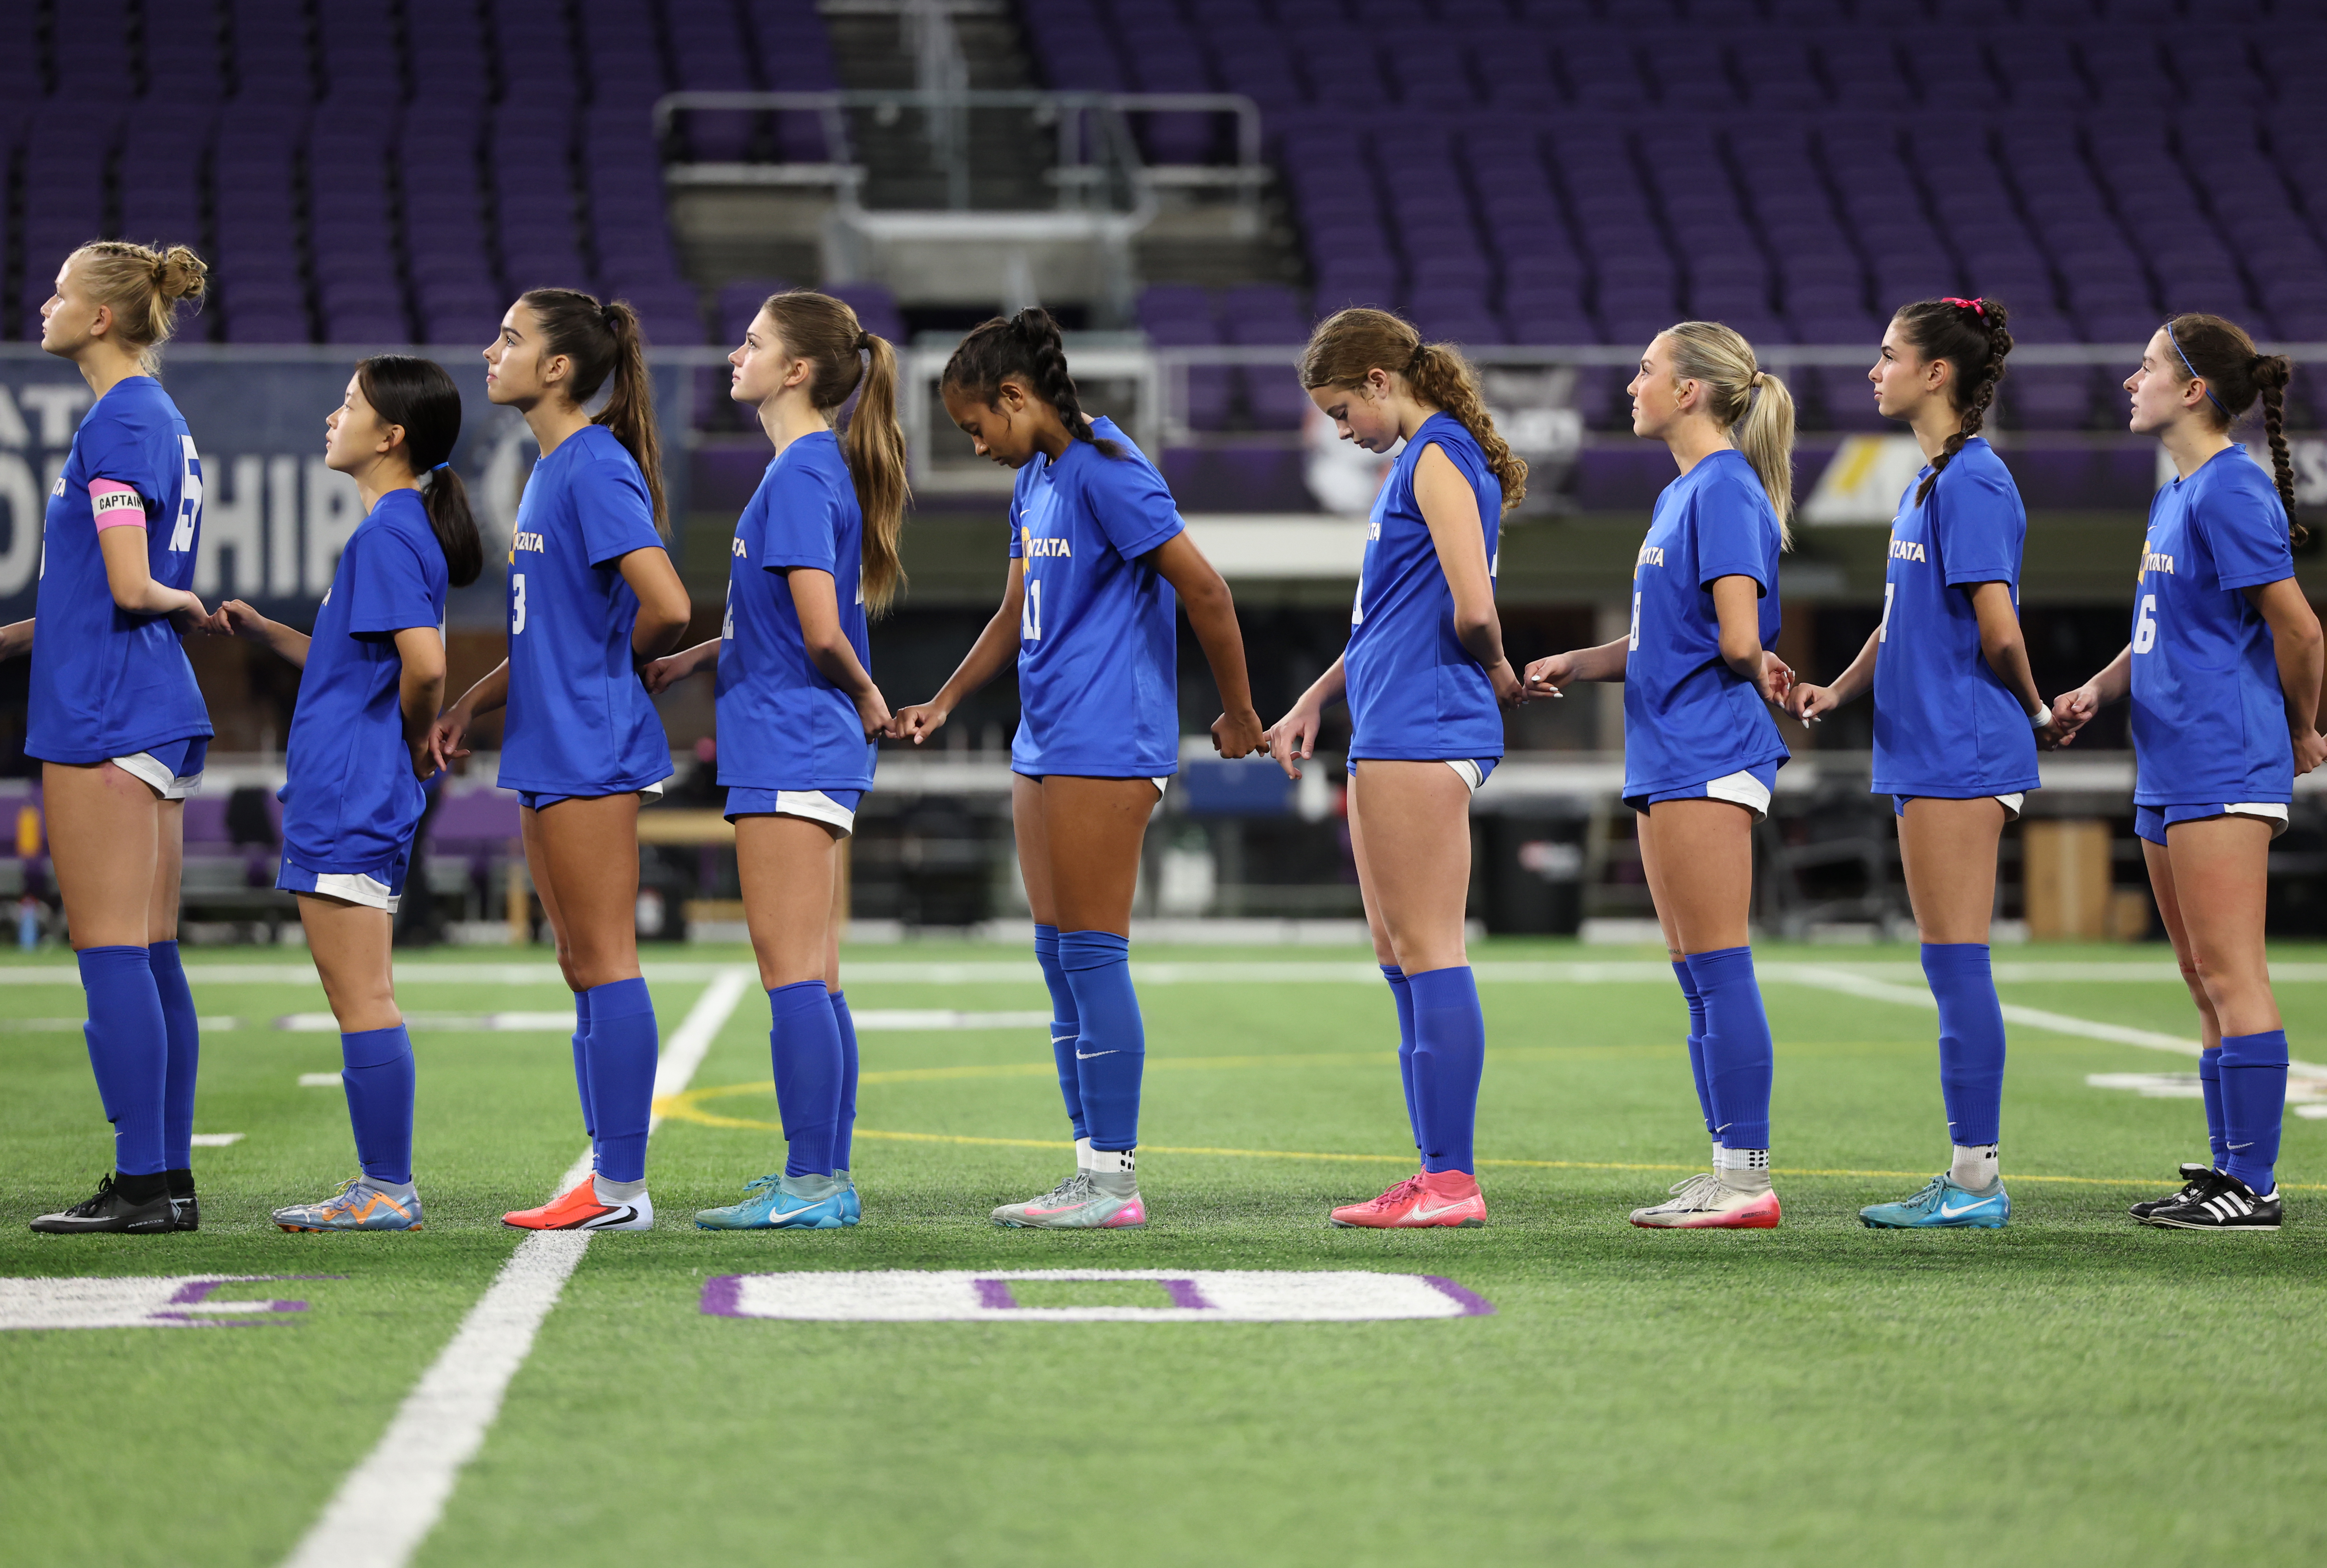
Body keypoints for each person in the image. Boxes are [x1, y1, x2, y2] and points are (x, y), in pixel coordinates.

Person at [892, 307, 1265, 1230]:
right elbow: (1013, 607)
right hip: (1043, 742)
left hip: (1106, 742)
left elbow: (1207, 590)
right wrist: (943, 699)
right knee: (1057, 956)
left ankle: (1115, 1183)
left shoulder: (1107, 470)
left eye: (978, 428)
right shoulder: (1039, 478)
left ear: (1015, 398)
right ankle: (1084, 1170)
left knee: (1094, 956)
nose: (976, 447)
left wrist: (1239, 710)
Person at [1787, 297, 2054, 1229]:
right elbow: (1902, 619)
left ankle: (1976, 1182)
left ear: (1935, 373)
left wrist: (2031, 706)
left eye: (1888, 355)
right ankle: (1967, 1175)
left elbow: (1997, 626)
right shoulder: (1927, 480)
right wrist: (1837, 689)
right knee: (1947, 962)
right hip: (1926, 746)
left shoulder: (1973, 482)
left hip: (1960, 749)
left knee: (1955, 962)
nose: (1873, 369)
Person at [429, 290, 692, 1232]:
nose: (490, 350)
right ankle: (603, 1183)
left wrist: (604, 673)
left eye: (510, 338)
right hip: (550, 741)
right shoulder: (550, 469)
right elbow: (551, 631)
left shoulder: (592, 466)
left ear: (558, 370)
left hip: (588, 742)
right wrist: (471, 700)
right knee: (579, 958)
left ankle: (621, 1189)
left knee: (605, 957)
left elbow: (666, 602)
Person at [644, 290, 906, 1230]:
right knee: (817, 975)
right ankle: (819, 1174)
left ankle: (813, 1182)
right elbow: (784, 623)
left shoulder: (800, 473)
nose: (734, 354)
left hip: (791, 742)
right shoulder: (809, 468)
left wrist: (869, 695)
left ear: (797, 372)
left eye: (753, 344)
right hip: (798, 739)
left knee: (792, 972)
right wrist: (697, 655)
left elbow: (824, 632)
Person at [2052, 314, 2320, 1232]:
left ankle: (2255, 1183)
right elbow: (2165, 627)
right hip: (2170, 760)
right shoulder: (2179, 491)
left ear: (2193, 388)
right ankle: (2225, 1171)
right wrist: (2097, 685)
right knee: (2201, 976)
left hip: (2221, 754)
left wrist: (2302, 727)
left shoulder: (2227, 492)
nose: (2131, 381)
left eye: (2147, 367)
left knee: (2230, 970)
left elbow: (2301, 629)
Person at [1525, 322, 1796, 1230]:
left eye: (1645, 371)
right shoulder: (1685, 492)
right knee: (1695, 973)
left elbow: (1735, 636)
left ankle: (1748, 1180)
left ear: (1690, 392)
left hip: (1705, 752)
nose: (1630, 385)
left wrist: (1748, 664)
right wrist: (1583, 658)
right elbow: (1673, 638)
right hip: (1672, 751)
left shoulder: (1721, 490)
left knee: (1717, 968)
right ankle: (1725, 1168)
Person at [1263, 308, 1527, 1228]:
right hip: (1391, 721)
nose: (1342, 432)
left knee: (1427, 952)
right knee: (1399, 957)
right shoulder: (1424, 458)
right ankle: (1431, 1173)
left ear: (1380, 379)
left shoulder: (1435, 454)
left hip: (1422, 725)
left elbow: (1473, 605)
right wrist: (1313, 699)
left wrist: (1496, 669)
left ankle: (1450, 1181)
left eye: (1342, 411)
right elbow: (1389, 618)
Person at [211, 356, 483, 1232]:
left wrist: (412, 732)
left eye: (350, 404)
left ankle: (385, 1187)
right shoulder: (396, 528)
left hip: (349, 789)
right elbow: (353, 660)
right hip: (353, 784)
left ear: (391, 435)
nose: (335, 417)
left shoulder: (387, 532)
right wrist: (265, 633)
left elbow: (427, 666)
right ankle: (383, 1182)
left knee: (361, 996)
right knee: (360, 992)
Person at [4, 242, 212, 1236]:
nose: (43, 304)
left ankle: (140, 1187)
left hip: (104, 712)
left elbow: (132, 587)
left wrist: (180, 601)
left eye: (59, 292)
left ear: (99, 319)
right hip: (143, 704)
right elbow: (97, 594)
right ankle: (165, 1180)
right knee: (152, 955)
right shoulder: (151, 414)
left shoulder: (120, 416)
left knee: (111, 958)